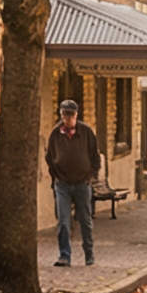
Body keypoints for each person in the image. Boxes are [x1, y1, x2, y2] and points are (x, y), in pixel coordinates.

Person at [46, 98, 102, 268]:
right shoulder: (56, 133)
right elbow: (49, 157)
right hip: (62, 183)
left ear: (76, 115)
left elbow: (95, 157)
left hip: (82, 183)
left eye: (71, 115)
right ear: (61, 115)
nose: (68, 119)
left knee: (85, 220)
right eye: (65, 115)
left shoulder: (86, 132)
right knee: (63, 220)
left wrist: (90, 175)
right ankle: (64, 255)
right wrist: (55, 174)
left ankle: (89, 253)